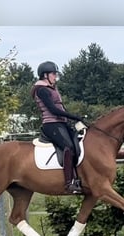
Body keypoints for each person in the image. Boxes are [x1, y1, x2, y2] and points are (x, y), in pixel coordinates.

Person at [31, 61, 85, 194]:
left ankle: (78, 177)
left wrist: (72, 120)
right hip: (51, 124)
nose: (56, 77)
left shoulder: (52, 88)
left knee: (77, 142)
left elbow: (61, 107)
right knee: (68, 147)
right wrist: (73, 116)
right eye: (54, 74)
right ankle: (69, 183)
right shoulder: (42, 90)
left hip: (61, 123)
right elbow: (53, 110)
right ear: (45, 75)